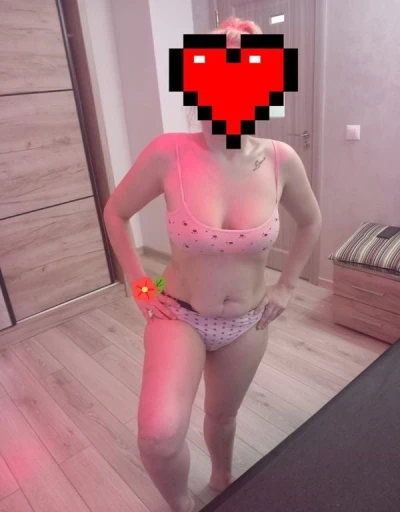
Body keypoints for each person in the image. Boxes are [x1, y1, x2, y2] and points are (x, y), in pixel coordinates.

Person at [104, 16, 322, 512]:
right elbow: (115, 212)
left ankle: (223, 482)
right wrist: (139, 285)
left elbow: (311, 221)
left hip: (248, 321)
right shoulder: (168, 153)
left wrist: (287, 287)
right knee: (158, 436)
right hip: (179, 315)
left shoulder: (281, 159)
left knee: (223, 418)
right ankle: (182, 506)